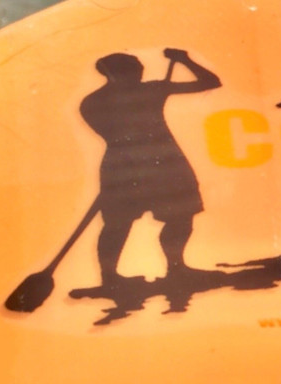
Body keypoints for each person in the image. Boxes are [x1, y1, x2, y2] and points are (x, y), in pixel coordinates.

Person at [79, 49, 220, 287]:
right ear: (114, 74)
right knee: (118, 223)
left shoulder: (97, 100)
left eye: (139, 68)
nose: (140, 72)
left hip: (137, 163)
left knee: (179, 215)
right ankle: (110, 277)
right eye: (134, 69)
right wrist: (184, 60)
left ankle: (176, 268)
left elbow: (212, 83)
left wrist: (185, 61)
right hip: (152, 163)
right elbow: (209, 81)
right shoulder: (144, 92)